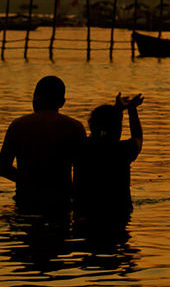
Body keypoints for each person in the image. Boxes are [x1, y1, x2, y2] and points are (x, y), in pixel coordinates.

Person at [0, 76, 85, 215]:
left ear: (36, 98)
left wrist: (27, 180)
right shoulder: (75, 127)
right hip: (61, 200)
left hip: (26, 199)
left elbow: (2, 167)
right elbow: (82, 170)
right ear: (62, 102)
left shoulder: (19, 125)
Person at [73, 93, 144, 224]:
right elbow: (138, 137)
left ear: (91, 125)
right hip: (118, 214)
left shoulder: (79, 149)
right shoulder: (123, 150)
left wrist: (117, 111)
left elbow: (99, 133)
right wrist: (132, 110)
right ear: (118, 128)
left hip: (84, 213)